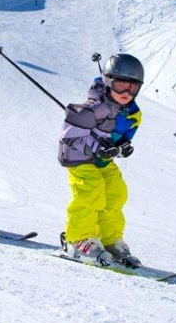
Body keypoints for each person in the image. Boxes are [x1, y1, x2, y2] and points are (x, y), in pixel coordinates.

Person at [58, 53, 144, 267]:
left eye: (132, 88)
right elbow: (69, 137)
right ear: (108, 82)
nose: (126, 93)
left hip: (101, 160)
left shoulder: (129, 112)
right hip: (78, 157)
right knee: (91, 190)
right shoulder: (92, 108)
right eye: (121, 85)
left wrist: (121, 146)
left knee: (116, 192)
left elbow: (119, 137)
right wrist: (98, 148)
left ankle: (109, 239)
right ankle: (78, 239)